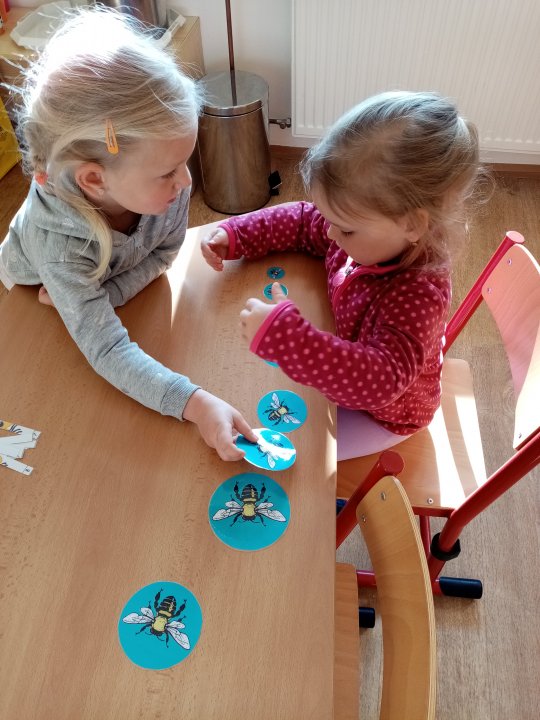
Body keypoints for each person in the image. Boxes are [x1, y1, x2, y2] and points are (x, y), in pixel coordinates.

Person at [0, 7, 256, 460]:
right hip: (26, 293)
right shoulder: (59, 248)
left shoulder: (168, 191)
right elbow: (106, 350)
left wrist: (110, 295)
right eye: (167, 172)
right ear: (94, 180)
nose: (186, 183)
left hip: (86, 287)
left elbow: (165, 253)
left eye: (183, 163)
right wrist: (196, 404)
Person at [201, 91, 482, 460]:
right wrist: (238, 233)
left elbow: (379, 382)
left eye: (345, 229)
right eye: (330, 218)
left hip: (384, 415)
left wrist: (290, 340)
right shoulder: (373, 231)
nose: (330, 234)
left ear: (413, 224)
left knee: (297, 457)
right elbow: (304, 221)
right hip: (344, 365)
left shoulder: (419, 294)